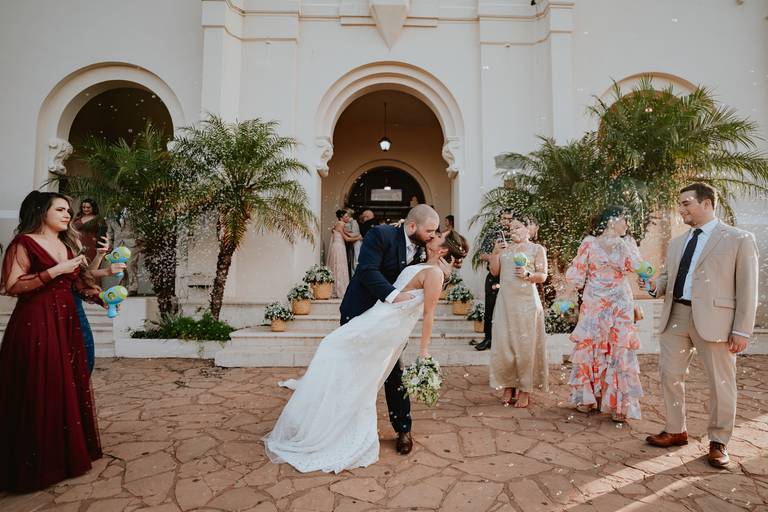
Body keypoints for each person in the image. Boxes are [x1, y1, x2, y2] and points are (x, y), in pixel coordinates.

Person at [264, 231, 464, 473]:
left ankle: (354, 430)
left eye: (439, 235)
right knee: (338, 357)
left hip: (385, 327)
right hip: (376, 316)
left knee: (348, 364)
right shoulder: (423, 261)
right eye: (433, 231)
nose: (433, 235)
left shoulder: (435, 273)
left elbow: (429, 314)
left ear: (443, 249)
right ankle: (324, 424)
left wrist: (424, 351)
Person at [644, 183, 758, 468]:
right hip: (676, 316)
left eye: (686, 203)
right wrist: (654, 286)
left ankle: (718, 441)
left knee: (721, 382)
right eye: (680, 204)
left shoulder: (738, 239)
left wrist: (742, 329)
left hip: (716, 322)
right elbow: (668, 277)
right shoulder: (677, 243)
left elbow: (748, 287)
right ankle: (676, 430)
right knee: (670, 375)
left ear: (707, 204)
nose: (681, 209)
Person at [0, 191, 103, 492]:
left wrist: (102, 297)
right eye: (59, 209)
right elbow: (12, 285)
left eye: (68, 210)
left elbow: (77, 285)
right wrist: (56, 270)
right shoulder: (24, 243)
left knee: (63, 384)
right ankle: (36, 463)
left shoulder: (66, 245)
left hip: (65, 321)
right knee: (38, 384)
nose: (67, 214)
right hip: (35, 322)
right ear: (40, 211)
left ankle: (63, 457)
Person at [340, 204, 449, 455]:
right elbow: (366, 270)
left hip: (391, 322)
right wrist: (394, 295)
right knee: (354, 371)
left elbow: (425, 278)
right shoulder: (381, 234)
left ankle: (403, 429)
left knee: (394, 373)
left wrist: (443, 274)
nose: (432, 236)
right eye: (429, 231)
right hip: (360, 311)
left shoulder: (424, 247)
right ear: (411, 226)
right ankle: (346, 426)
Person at [562, 206, 644, 422]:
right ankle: (588, 398)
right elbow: (577, 272)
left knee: (620, 349)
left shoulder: (628, 242)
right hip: (594, 302)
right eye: (624, 220)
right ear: (611, 221)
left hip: (620, 302)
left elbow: (637, 267)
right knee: (591, 346)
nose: (627, 225)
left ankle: (619, 404)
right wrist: (565, 299)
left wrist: (625, 247)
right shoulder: (589, 243)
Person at [488, 214, 548, 407]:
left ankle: (525, 388)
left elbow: (543, 276)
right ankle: (508, 384)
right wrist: (495, 253)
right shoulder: (505, 249)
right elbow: (494, 272)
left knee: (525, 346)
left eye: (518, 227)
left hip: (527, 303)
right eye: (511, 228)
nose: (513, 231)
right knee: (505, 344)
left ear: (528, 229)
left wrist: (528, 274)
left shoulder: (537, 249)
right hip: (505, 302)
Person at [474, 209, 515, 351]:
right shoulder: (492, 234)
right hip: (494, 276)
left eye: (509, 219)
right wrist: (495, 254)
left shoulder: (516, 235)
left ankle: (506, 341)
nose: (506, 222)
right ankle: (488, 339)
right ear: (499, 219)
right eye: (504, 218)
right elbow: (482, 255)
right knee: (490, 308)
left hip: (511, 276)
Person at [327, 209, 362, 298]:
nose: (348, 218)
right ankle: (339, 290)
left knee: (338, 266)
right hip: (339, 247)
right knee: (339, 267)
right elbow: (347, 238)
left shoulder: (339, 224)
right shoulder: (341, 224)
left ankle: (337, 288)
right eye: (346, 216)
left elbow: (348, 234)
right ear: (341, 218)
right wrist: (358, 238)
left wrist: (357, 235)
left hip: (339, 247)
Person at [345, 208, 362, 276]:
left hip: (356, 243)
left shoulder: (353, 222)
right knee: (353, 261)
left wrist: (344, 232)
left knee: (356, 260)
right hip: (352, 243)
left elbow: (356, 233)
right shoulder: (348, 222)